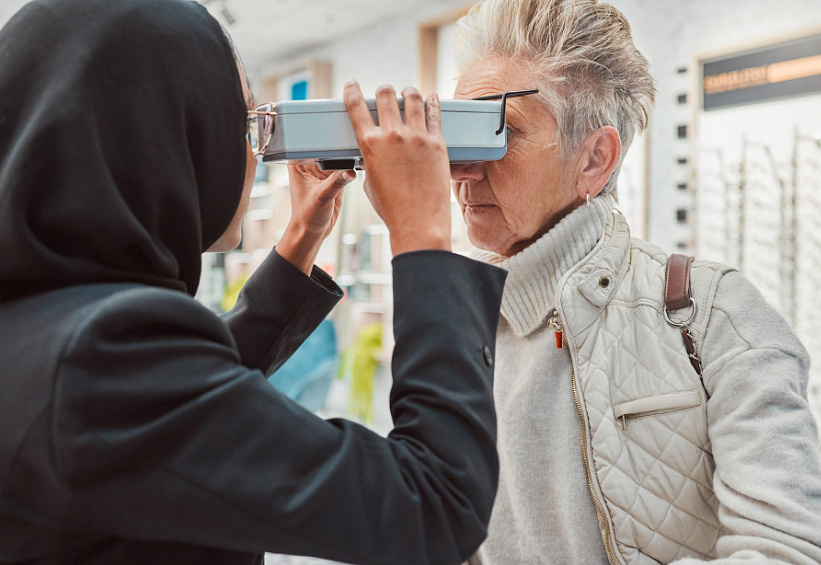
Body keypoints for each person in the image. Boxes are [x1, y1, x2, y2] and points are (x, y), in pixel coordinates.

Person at [0, 1, 506, 564]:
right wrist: (423, 234)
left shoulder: (40, 328)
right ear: (167, 138)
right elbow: (435, 503)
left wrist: (298, 241)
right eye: (245, 125)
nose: (258, 154)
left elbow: (187, 407)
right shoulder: (97, 361)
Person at [448, 1, 821, 564]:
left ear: (594, 158)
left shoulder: (715, 316)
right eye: (456, 135)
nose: (461, 169)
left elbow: (794, 553)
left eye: (498, 132)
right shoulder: (453, 327)